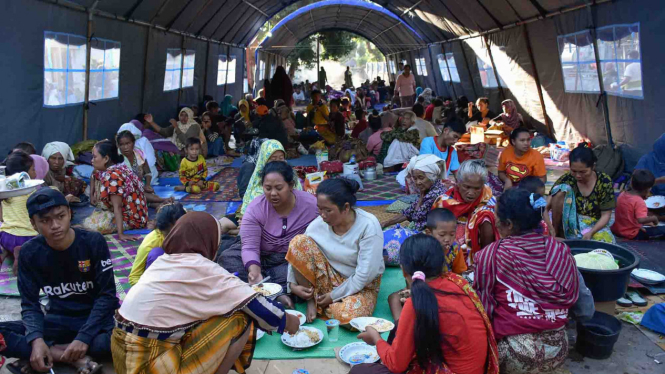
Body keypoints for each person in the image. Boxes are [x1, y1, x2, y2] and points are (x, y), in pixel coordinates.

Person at [111, 212, 301, 374]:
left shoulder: (163, 261)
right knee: (240, 318)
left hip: (121, 353)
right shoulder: (202, 267)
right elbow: (254, 303)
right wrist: (288, 321)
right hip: (151, 361)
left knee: (213, 313)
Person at [0, 188, 119, 374]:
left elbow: (107, 297)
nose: (55, 225)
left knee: (122, 340)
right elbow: (30, 304)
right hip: (56, 321)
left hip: (93, 322)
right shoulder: (28, 253)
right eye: (45, 220)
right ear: (33, 224)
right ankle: (70, 357)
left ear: (70, 214)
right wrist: (37, 339)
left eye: (60, 216)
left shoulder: (93, 242)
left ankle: (49, 353)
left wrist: (84, 337)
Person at [353, 234, 499, 374]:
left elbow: (396, 365)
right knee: (398, 328)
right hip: (478, 368)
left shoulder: (414, 304)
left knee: (359, 371)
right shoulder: (459, 282)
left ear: (403, 270)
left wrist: (376, 339)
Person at [475, 188, 579, 374]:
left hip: (515, 353)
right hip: (559, 348)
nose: (495, 221)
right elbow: (578, 298)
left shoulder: (493, 254)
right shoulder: (561, 250)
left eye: (497, 216)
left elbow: (485, 308)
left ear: (508, 224)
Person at [221, 162, 318, 309]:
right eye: (268, 188)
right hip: (259, 255)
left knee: (304, 272)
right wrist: (254, 270)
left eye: (279, 188)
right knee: (227, 259)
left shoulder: (311, 205)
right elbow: (249, 247)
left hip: (288, 261)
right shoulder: (255, 208)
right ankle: (278, 292)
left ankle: (262, 292)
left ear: (291, 185)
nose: (273, 193)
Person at [287, 178, 385, 323]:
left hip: (362, 286)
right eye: (320, 209)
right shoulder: (318, 225)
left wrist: (332, 296)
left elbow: (364, 276)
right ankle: (312, 301)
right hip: (329, 277)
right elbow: (296, 252)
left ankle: (323, 302)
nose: (322, 215)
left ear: (346, 208)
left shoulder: (368, 226)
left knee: (347, 315)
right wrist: (292, 285)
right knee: (298, 241)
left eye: (328, 210)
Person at [432, 159, 499, 262]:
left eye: (477, 188)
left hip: (478, 251)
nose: (471, 193)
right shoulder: (444, 202)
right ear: (458, 183)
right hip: (448, 248)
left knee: (486, 216)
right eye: (466, 187)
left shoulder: (489, 200)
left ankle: (484, 262)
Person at [549, 146, 616, 243]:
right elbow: (546, 205)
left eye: (583, 172)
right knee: (559, 192)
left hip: (595, 223)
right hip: (569, 222)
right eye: (574, 171)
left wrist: (591, 232)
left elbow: (606, 215)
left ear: (593, 167)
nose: (578, 176)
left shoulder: (604, 181)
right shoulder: (567, 179)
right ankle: (559, 232)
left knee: (605, 242)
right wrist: (552, 230)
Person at [87, 140, 148, 240]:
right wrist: (92, 195)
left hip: (132, 219)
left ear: (106, 158)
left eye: (94, 157)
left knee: (89, 225)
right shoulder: (119, 167)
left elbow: (118, 207)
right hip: (139, 214)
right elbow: (94, 174)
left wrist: (121, 234)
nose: (92, 160)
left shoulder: (112, 176)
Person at [381, 155, 449, 231]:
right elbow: (408, 212)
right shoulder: (428, 190)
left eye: (421, 178)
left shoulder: (435, 194)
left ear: (431, 176)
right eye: (415, 178)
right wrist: (385, 223)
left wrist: (420, 199)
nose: (417, 182)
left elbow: (416, 217)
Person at [239, 140, 303, 217]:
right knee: (226, 223)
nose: (278, 163)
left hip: (281, 217)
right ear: (264, 159)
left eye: (281, 158)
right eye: (273, 159)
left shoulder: (290, 176)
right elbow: (249, 203)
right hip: (257, 216)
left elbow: (298, 200)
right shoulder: (257, 178)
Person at [0, 151, 40, 276]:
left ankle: (7, 252)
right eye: (33, 169)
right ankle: (20, 256)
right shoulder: (31, 191)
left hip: (5, 236)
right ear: (25, 175)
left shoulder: (4, 191)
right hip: (28, 238)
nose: (36, 173)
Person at [128, 203, 187, 286]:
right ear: (162, 230)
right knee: (156, 253)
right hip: (159, 284)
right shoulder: (151, 242)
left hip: (182, 277)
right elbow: (134, 277)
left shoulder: (188, 231)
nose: (175, 236)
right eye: (169, 234)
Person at [116, 131, 172, 207]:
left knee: (147, 193)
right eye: (122, 144)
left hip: (139, 186)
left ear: (133, 143)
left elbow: (147, 172)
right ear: (118, 146)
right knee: (138, 194)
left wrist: (147, 185)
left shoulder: (138, 153)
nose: (125, 147)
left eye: (128, 143)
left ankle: (157, 204)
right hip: (125, 189)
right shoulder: (118, 159)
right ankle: (162, 200)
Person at [612, 170, 661, 240]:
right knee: (660, 232)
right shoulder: (639, 202)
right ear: (647, 190)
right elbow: (641, 220)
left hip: (617, 230)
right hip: (631, 233)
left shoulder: (622, 194)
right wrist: (654, 218)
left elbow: (627, 216)